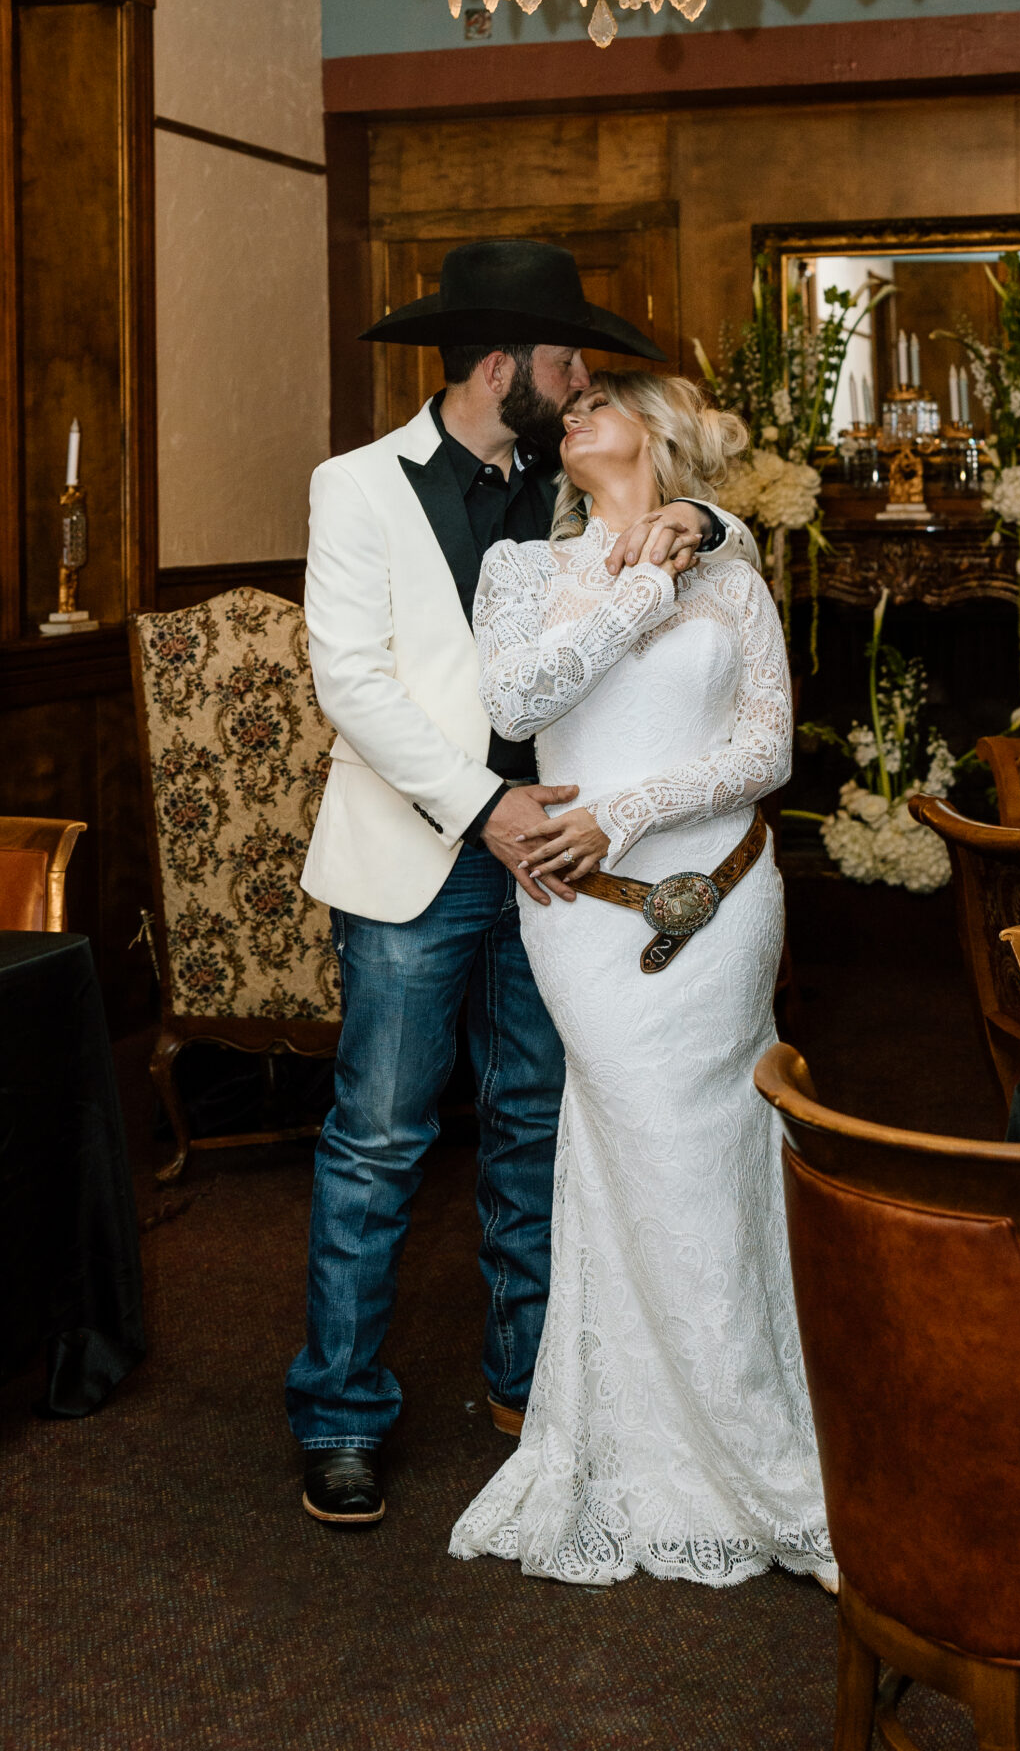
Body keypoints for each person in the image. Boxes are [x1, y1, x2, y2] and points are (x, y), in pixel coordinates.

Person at [288, 240, 757, 1529]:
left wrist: (706, 519)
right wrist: (480, 805)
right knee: (381, 1137)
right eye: (566, 359)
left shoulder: (569, 471)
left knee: (537, 1122)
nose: (582, 379)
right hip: (425, 852)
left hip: (567, 864)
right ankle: (339, 1414)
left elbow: (701, 513)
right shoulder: (356, 485)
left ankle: (529, 1390)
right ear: (503, 366)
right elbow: (353, 682)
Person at [448, 370, 834, 1590]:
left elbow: (766, 747)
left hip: (724, 896)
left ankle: (755, 1430)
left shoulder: (734, 570)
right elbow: (519, 701)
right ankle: (684, 1445)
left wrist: (627, 809)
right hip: (586, 918)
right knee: (644, 1141)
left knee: (718, 1149)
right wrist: (638, 589)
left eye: (602, 404)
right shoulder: (522, 570)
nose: (573, 414)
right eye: (571, 408)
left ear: (659, 438)